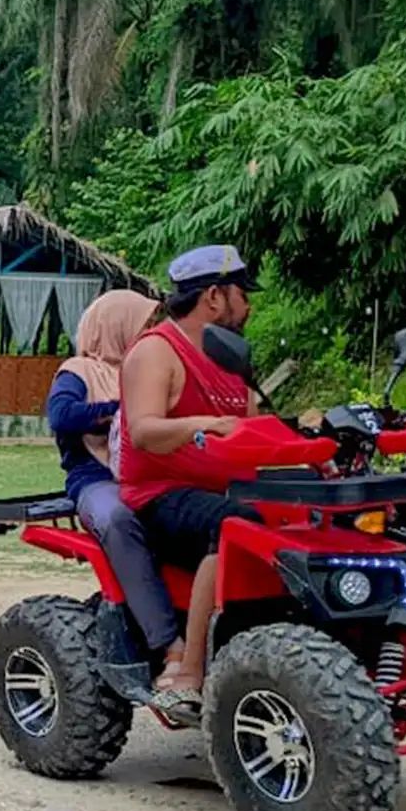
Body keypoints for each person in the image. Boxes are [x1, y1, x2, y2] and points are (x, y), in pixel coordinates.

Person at [117, 245, 264, 718]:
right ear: (215, 297)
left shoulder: (231, 357)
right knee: (233, 523)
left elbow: (254, 429)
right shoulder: (158, 351)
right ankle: (189, 674)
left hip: (226, 488)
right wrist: (205, 424)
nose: (250, 306)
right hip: (161, 496)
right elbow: (143, 431)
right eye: (243, 294)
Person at [47, 290, 182, 683]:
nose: (150, 332)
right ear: (115, 327)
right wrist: (116, 413)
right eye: (142, 325)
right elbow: (62, 416)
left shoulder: (145, 368)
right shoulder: (79, 370)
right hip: (96, 478)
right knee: (119, 520)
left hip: (150, 473)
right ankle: (167, 641)